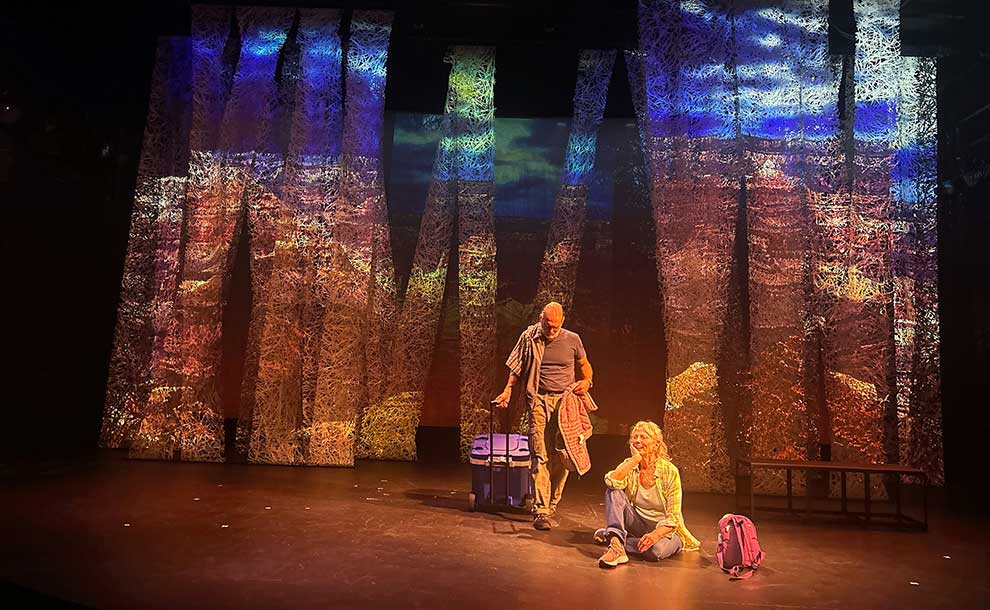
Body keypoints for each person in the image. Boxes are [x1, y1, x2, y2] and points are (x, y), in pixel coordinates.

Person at [494, 302, 592, 530]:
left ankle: (552, 503)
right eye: (548, 325)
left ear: (562, 322)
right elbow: (516, 366)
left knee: (564, 454)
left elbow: (584, 364)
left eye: (555, 326)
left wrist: (587, 381)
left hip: (566, 403)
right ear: (541, 319)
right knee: (539, 452)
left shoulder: (572, 339)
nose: (551, 330)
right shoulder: (530, 337)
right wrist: (508, 389)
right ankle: (540, 510)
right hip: (538, 399)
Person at [595, 420, 700, 568]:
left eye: (643, 437)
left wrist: (655, 535)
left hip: (666, 532)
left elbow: (674, 517)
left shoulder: (669, 471)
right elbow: (611, 482)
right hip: (638, 525)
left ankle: (614, 537)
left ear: (656, 444)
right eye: (635, 437)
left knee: (654, 551)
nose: (638, 440)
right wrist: (635, 460)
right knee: (613, 492)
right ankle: (616, 545)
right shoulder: (630, 464)